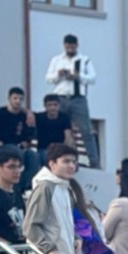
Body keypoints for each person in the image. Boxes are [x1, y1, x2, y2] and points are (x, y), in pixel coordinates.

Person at [44, 33, 99, 166]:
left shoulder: (84, 60)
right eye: (68, 47)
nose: (70, 49)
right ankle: (61, 158)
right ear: (64, 46)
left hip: (78, 98)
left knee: (86, 130)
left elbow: (92, 78)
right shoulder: (57, 60)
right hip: (61, 98)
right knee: (61, 129)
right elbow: (48, 78)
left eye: (72, 47)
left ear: (76, 46)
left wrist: (78, 76)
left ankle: (94, 161)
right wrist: (59, 74)